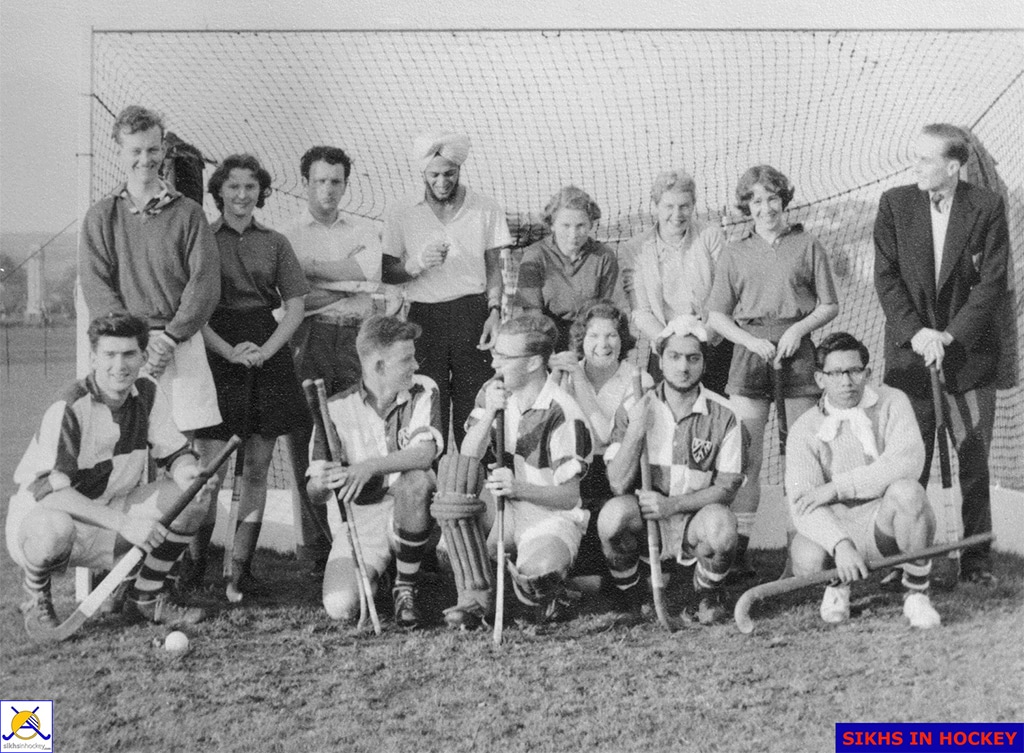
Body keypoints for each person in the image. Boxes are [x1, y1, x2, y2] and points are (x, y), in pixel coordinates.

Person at [6, 314, 210, 635]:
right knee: (53, 530)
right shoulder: (70, 405)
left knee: (192, 499)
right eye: (109, 355)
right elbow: (50, 489)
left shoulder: (148, 393)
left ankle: (146, 596)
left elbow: (175, 452)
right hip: (46, 519)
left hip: (110, 511)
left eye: (129, 354)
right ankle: (37, 596)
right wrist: (125, 524)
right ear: (93, 358)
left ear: (143, 357)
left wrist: (188, 473)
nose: (120, 365)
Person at [874, 123, 1010, 587]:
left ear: (953, 167)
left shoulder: (987, 206)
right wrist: (918, 335)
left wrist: (947, 337)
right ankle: (902, 559)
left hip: (967, 357)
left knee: (973, 459)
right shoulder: (894, 204)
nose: (915, 167)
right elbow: (887, 279)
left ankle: (975, 561)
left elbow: (991, 284)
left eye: (925, 159)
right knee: (911, 462)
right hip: (911, 359)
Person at [707, 165, 839, 578]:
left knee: (800, 456)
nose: (765, 209)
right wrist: (748, 341)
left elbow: (829, 304)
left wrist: (798, 330)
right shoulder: (734, 250)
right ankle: (739, 555)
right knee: (745, 456)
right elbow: (717, 315)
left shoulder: (807, 243)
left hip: (797, 353)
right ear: (746, 206)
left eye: (772, 200)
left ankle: (796, 552)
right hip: (750, 355)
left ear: (785, 200)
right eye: (756, 201)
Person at [189, 154, 310, 599]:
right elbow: (193, 308)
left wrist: (265, 351)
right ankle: (195, 565)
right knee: (209, 470)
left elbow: (295, 305)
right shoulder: (201, 237)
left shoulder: (276, 242)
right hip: (216, 351)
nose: (242, 195)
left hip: (265, 354)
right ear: (219, 190)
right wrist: (226, 350)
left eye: (251, 187)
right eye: (234, 187)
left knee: (257, 468)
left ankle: (239, 570)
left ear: (262, 192)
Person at [79, 105, 221, 434]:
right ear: (119, 152)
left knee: (185, 452)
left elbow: (204, 284)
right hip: (124, 350)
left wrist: (170, 339)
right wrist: (134, 343)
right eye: (136, 150)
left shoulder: (189, 213)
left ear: (164, 150)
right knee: (123, 446)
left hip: (179, 344)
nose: (145, 159)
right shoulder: (100, 216)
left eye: (153, 149)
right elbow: (96, 286)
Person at [281, 145, 391, 568]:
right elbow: (294, 295)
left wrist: (312, 269)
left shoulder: (362, 229)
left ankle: (363, 542)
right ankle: (314, 547)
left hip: (357, 339)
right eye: (320, 181)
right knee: (307, 442)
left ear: (346, 183)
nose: (328, 189)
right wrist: (345, 279)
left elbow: (369, 276)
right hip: (309, 336)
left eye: (336, 181)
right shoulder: (289, 235)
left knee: (360, 434)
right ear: (305, 182)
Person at [786, 332, 942, 628]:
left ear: (867, 373)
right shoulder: (804, 429)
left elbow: (908, 462)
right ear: (820, 379)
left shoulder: (893, 401)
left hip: (881, 526)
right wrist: (840, 543)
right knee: (807, 557)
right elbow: (802, 505)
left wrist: (837, 488)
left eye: (855, 371)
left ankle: (916, 595)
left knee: (909, 493)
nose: (847, 381)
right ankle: (836, 589)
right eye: (835, 373)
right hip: (837, 527)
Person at [602, 318, 743, 623]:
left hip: (694, 516)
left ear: (704, 363)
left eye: (693, 358)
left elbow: (727, 488)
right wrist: (637, 431)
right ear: (660, 360)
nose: (683, 367)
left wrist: (673, 505)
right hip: (646, 518)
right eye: (674, 357)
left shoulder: (725, 414)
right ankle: (635, 596)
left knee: (723, 527)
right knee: (612, 518)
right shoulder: (634, 407)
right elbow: (616, 482)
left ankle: (704, 593)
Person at [307, 316, 442, 628]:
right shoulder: (336, 408)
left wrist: (367, 466)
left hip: (410, 509)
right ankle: (381, 572)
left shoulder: (423, 389)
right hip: (360, 520)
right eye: (406, 358)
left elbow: (424, 454)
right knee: (340, 606)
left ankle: (404, 586)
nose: (415, 364)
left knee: (417, 480)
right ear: (379, 366)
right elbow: (315, 492)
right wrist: (324, 481)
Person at [383, 132, 512, 452]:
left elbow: (494, 267)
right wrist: (416, 264)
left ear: (460, 169)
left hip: (473, 313)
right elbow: (388, 271)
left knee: (475, 409)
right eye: (434, 175)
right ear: (422, 173)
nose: (442, 181)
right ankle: (431, 494)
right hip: (424, 317)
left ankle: (472, 491)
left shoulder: (485, 207)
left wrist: (495, 311)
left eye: (449, 174)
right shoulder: (401, 211)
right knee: (428, 407)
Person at [460, 314, 594, 623]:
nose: (495, 364)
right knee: (458, 503)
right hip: (505, 508)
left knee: (538, 578)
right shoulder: (493, 390)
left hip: (549, 514)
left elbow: (569, 498)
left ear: (534, 363)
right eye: (495, 354)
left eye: (504, 357)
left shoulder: (563, 411)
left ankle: (549, 586)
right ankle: (476, 596)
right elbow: (468, 454)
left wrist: (519, 488)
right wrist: (491, 412)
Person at [548, 300, 652, 577]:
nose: (603, 344)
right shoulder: (567, 373)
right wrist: (557, 377)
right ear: (581, 339)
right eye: (594, 336)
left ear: (623, 339)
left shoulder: (639, 379)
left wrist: (579, 379)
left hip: (618, 473)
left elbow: (605, 435)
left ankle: (623, 577)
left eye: (611, 335)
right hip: (575, 471)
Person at [623, 169, 732, 392]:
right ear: (655, 207)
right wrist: (668, 341)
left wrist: (703, 338)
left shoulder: (710, 235)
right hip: (666, 347)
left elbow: (725, 295)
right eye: (669, 206)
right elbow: (641, 311)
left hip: (712, 343)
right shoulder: (634, 248)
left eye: (684, 206)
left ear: (693, 206)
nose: (677, 214)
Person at [514, 186, 625, 351]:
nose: (573, 233)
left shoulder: (604, 256)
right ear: (552, 224)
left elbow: (607, 313)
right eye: (566, 225)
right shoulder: (535, 256)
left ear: (591, 225)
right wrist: (550, 357)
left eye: (581, 225)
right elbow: (533, 316)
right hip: (547, 341)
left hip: (590, 341)